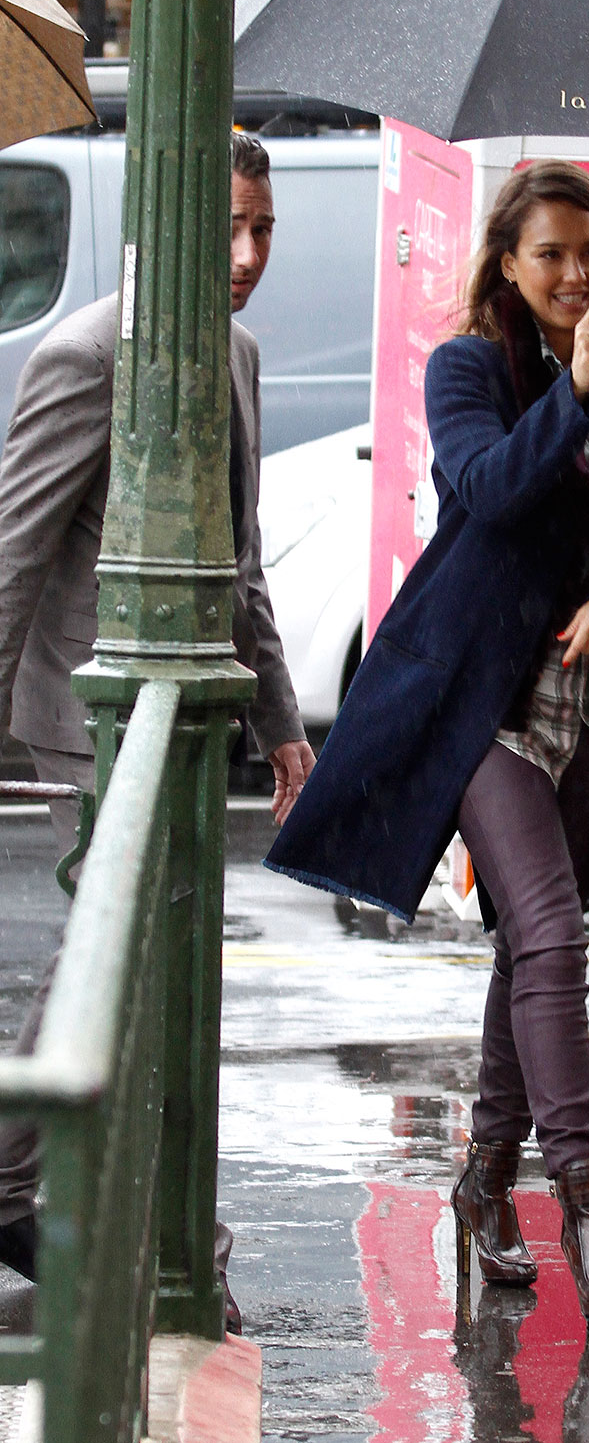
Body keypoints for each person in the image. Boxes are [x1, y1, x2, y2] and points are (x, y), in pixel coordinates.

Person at [266, 160, 589, 1326]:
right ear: (508, 262)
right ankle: (588, 1203)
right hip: (481, 700)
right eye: (550, 252)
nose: (573, 273)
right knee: (554, 931)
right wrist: (569, 395)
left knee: (526, 951)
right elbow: (486, 488)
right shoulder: (470, 369)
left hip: (584, 709)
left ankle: (485, 1184)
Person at [0, 131, 315, 1317]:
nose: (246, 256)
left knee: (135, 956)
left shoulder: (231, 347)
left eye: (265, 229)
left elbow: (240, 559)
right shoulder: (89, 354)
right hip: (94, 707)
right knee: (126, 947)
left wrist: (284, 722)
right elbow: (15, 551)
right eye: (226, 228)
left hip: (190, 711)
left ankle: (97, 1202)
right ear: (163, 227)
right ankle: (100, 1210)